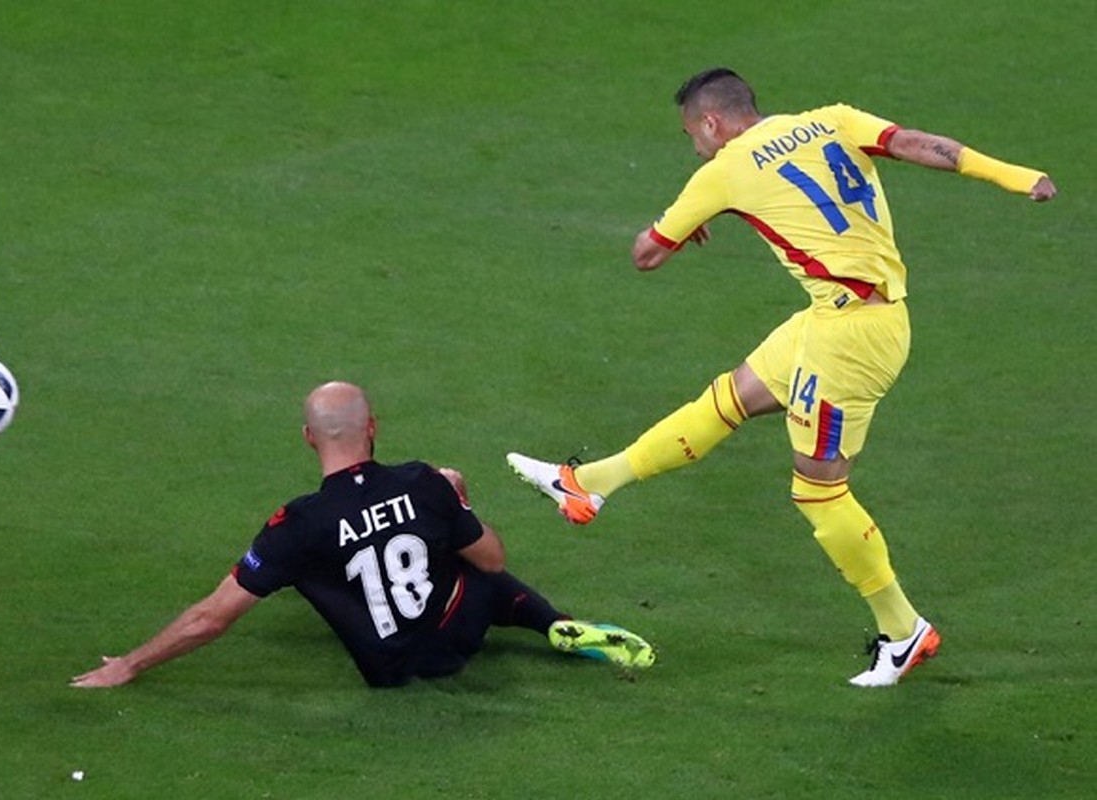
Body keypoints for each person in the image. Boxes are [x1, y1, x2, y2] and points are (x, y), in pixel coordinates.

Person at [508, 68, 1057, 688]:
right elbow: (916, 144)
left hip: (849, 342)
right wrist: (1016, 176)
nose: (694, 147)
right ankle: (587, 485)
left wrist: (680, 225)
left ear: (712, 123)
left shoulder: (722, 171)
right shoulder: (833, 119)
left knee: (819, 493)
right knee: (732, 397)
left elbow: (646, 254)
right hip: (840, 318)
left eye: (692, 134)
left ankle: (904, 631)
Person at [72, 381, 654, 690]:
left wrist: (130, 664)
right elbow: (495, 560)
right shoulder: (424, 483)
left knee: (322, 568)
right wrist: (459, 501)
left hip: (387, 667)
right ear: (373, 428)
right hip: (458, 634)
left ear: (307, 437)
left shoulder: (295, 523)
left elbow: (211, 618)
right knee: (466, 556)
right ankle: (550, 623)